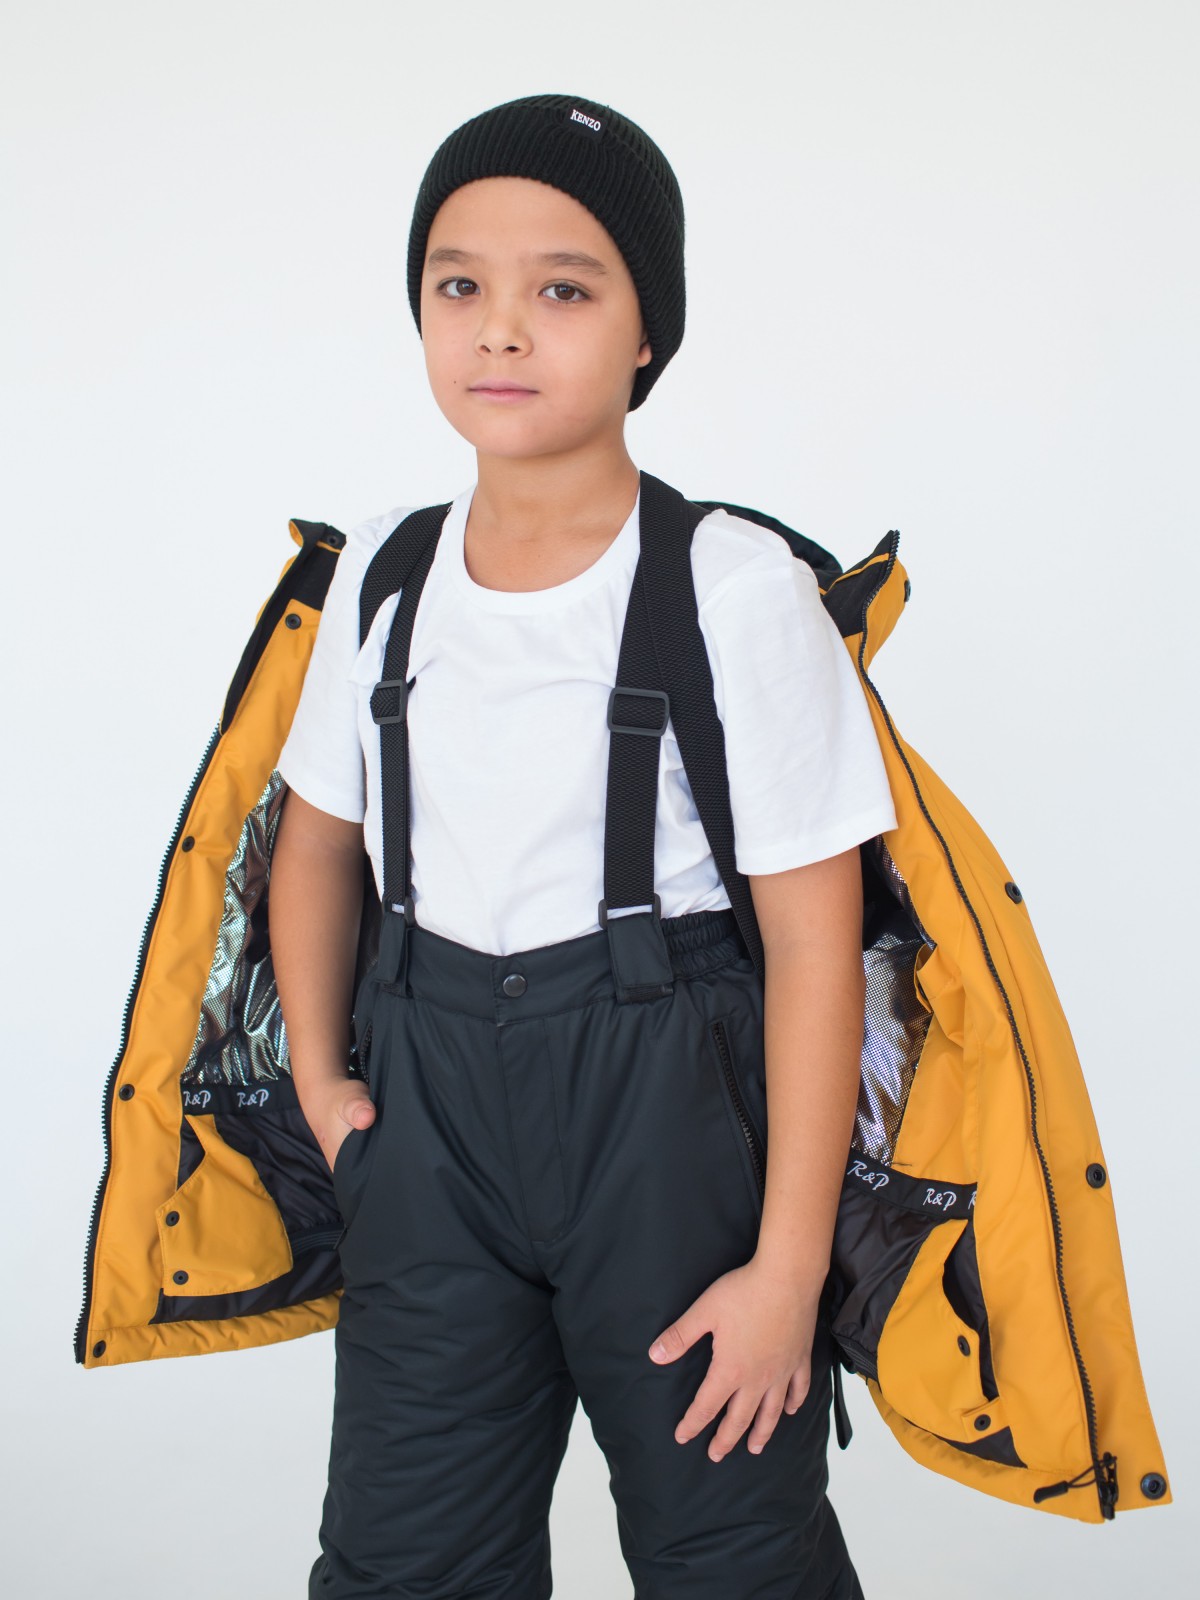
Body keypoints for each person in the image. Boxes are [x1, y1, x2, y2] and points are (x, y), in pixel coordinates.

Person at [269, 91, 897, 1600]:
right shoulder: (388, 578)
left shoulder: (732, 587)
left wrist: (787, 1268)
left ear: (645, 335)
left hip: (668, 1130)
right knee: (403, 1564)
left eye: (564, 289)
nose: (501, 328)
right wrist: (325, 1087)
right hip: (426, 1126)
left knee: (732, 1558)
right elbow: (316, 844)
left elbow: (816, 945)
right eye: (458, 284)